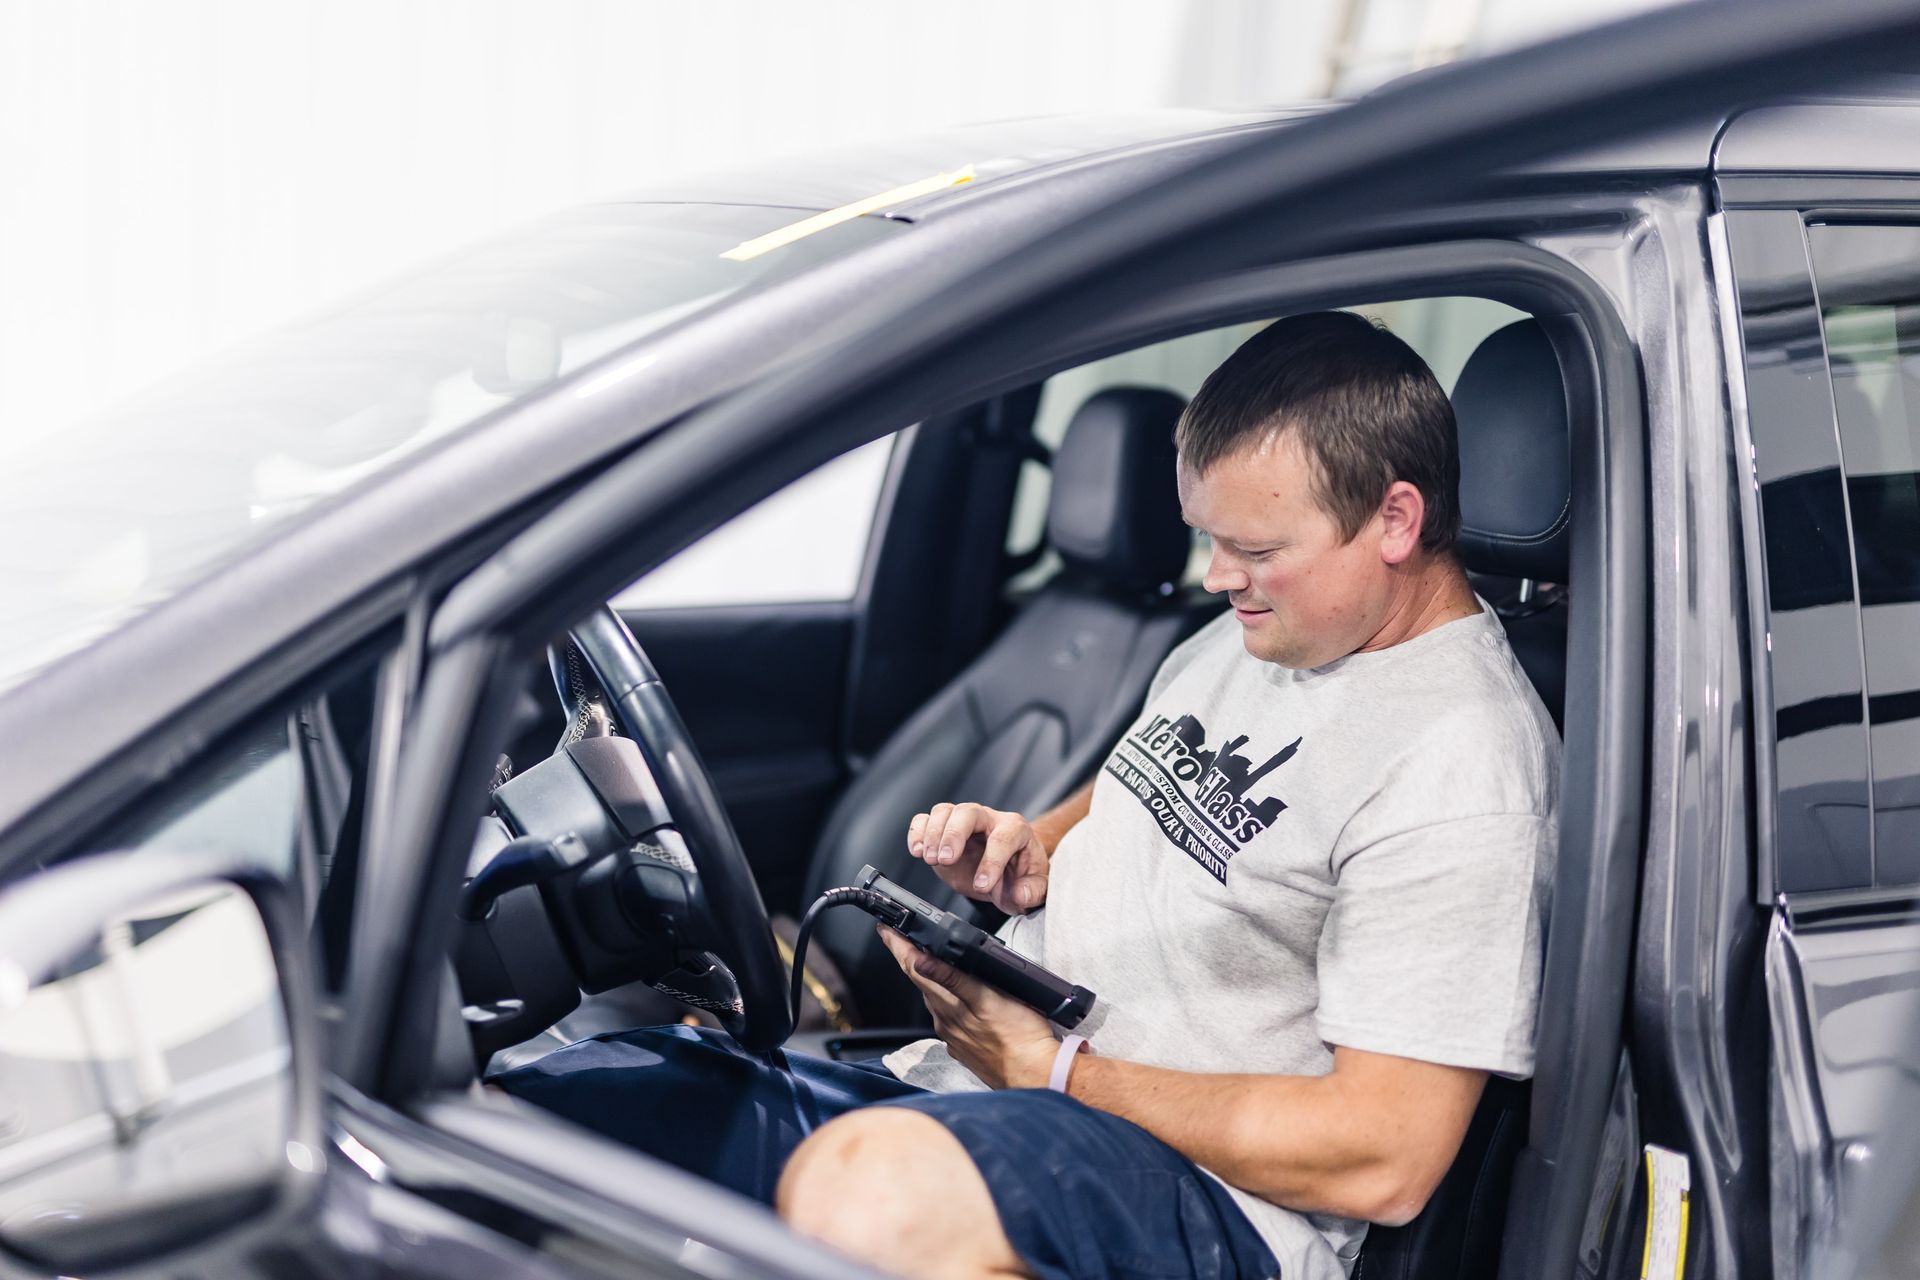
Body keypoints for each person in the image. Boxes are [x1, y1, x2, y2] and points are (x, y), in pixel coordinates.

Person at [496, 310, 1560, 1280]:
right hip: (991, 1090)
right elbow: (1153, 781)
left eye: (1251, 547)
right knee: (590, 1099)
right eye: (1205, 535)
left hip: (1209, 1199)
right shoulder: (1269, 627)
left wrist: (1058, 1071)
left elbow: (1385, 1154)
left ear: (1396, 519)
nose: (1210, 575)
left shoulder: (1460, 762)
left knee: (874, 1194)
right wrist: (1032, 846)